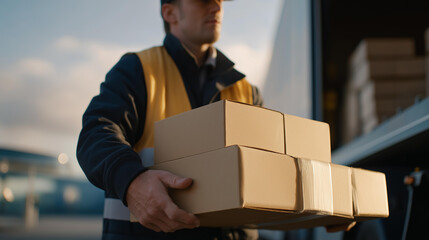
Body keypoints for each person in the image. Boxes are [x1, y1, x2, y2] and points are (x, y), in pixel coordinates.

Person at [77, 0, 262, 239]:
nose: (217, 8)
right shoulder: (137, 70)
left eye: (220, 1)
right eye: (205, 1)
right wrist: (131, 181)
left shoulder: (248, 91)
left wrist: (317, 213)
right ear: (170, 12)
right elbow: (96, 132)